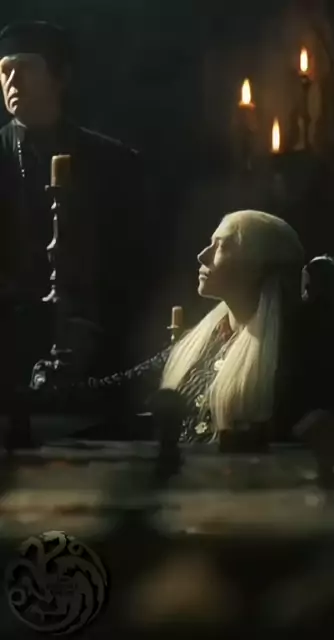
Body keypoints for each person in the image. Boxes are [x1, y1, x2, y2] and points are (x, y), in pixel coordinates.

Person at [51, 210, 334, 481]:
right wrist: (47, 393)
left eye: (221, 246)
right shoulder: (204, 340)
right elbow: (119, 388)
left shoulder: (292, 354)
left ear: (256, 265)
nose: (202, 256)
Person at [0, 21, 151, 444]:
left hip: (97, 373)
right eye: (4, 70)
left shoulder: (113, 165)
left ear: (60, 76)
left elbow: (137, 268)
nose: (12, 81)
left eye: (25, 68)